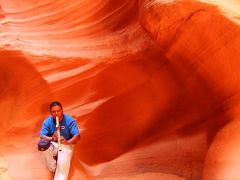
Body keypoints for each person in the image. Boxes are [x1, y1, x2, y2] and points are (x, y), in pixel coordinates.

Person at [39, 101, 80, 180]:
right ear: (50, 113)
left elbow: (77, 136)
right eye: (54, 112)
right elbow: (42, 136)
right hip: (54, 144)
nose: (56, 113)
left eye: (58, 111)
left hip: (67, 145)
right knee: (42, 147)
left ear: (62, 110)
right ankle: (54, 168)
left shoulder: (69, 120)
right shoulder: (47, 121)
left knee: (62, 166)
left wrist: (67, 142)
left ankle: (60, 172)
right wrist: (52, 138)